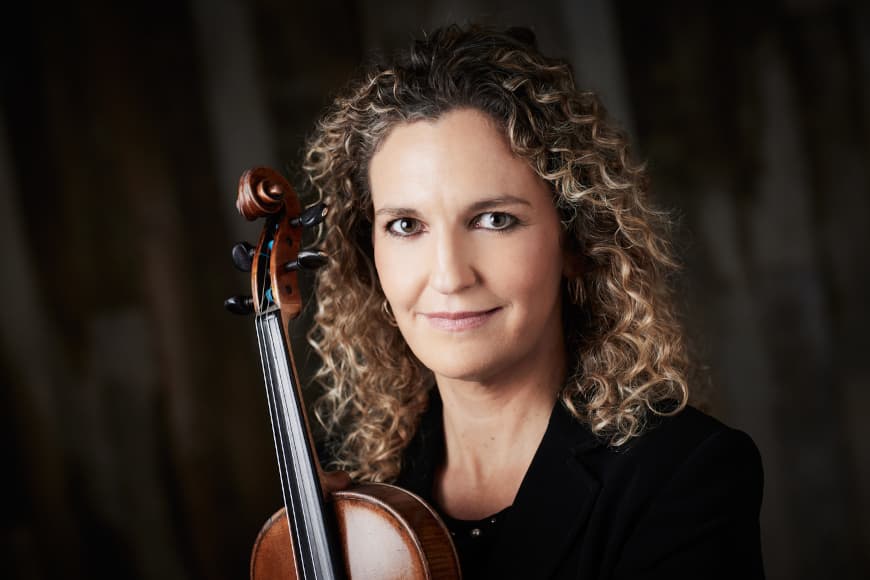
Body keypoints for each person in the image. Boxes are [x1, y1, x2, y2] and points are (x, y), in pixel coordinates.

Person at [301, 24, 765, 579]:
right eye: (405, 225)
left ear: (576, 241)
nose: (449, 276)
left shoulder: (681, 475)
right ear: (369, 252)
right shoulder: (347, 490)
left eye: (495, 219)